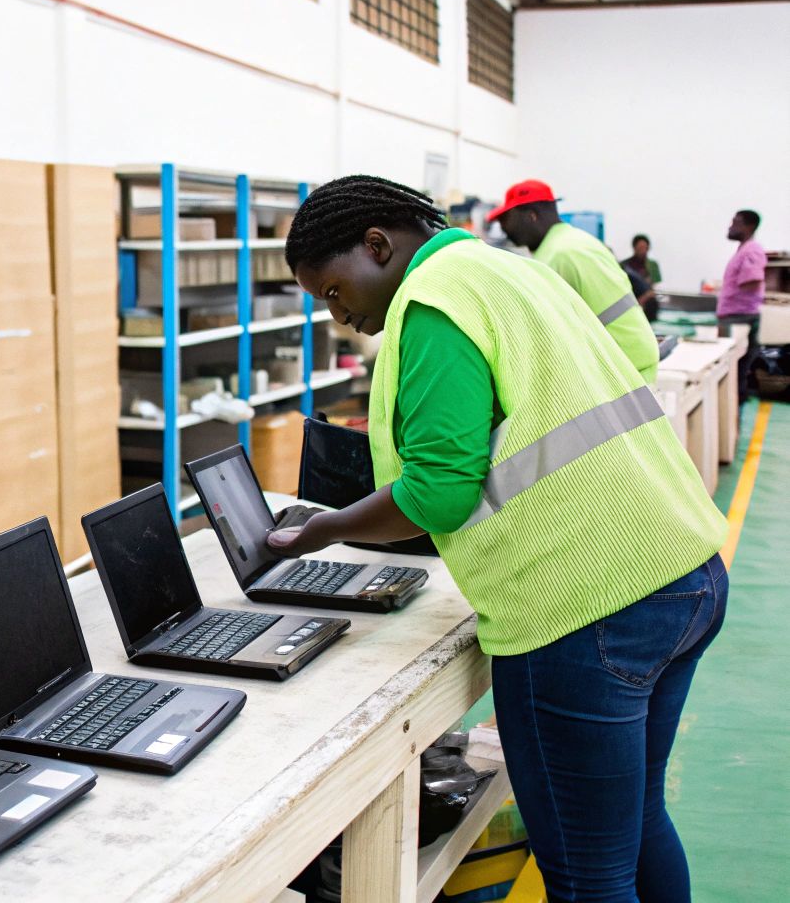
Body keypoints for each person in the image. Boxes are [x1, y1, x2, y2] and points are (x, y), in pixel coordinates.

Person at [268, 175, 727, 902]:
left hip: (586, 609)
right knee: (637, 823)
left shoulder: (432, 303)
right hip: (681, 570)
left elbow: (441, 492)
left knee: (587, 880)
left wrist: (324, 528)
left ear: (378, 245)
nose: (341, 314)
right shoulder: (507, 268)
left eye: (331, 290)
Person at [492, 180, 659, 382]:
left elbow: (544, 336)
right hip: (636, 354)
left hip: (620, 369)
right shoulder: (578, 240)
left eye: (506, 219)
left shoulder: (554, 257)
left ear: (531, 215)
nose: (504, 229)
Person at [717, 209, 766, 403]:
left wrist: (733, 289)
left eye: (735, 222)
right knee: (735, 371)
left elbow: (753, 279)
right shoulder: (745, 249)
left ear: (749, 226)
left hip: (739, 317)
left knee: (734, 371)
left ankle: (734, 410)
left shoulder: (752, 250)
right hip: (737, 316)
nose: (731, 226)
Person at [622, 234, 661, 322]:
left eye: (645, 248)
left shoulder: (653, 265)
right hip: (630, 303)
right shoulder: (625, 265)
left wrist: (646, 297)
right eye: (640, 248)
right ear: (634, 248)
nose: (643, 251)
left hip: (648, 305)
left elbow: (655, 288)